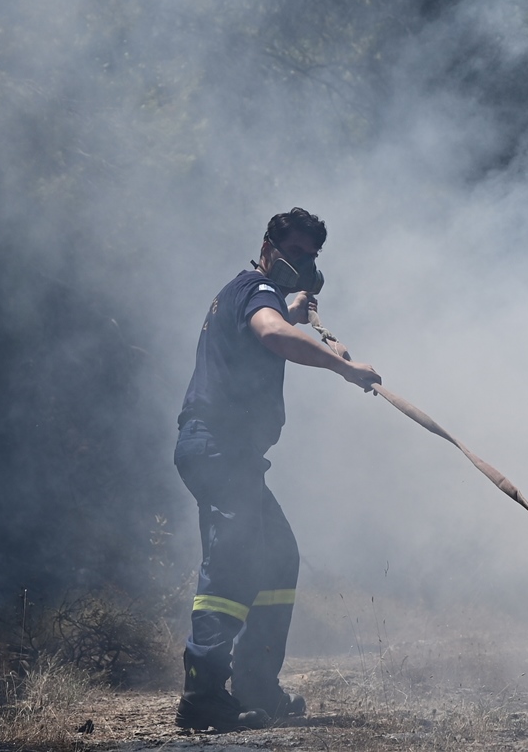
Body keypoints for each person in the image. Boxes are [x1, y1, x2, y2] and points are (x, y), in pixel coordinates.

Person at [173, 208, 382, 732]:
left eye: (312, 255)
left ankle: (255, 684)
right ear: (267, 247)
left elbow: (273, 322)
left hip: (232, 455)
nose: (303, 262)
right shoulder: (254, 288)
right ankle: (203, 694)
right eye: (294, 251)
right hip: (218, 448)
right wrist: (343, 367)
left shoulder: (256, 293)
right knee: (232, 564)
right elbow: (270, 333)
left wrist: (294, 311)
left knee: (277, 558)